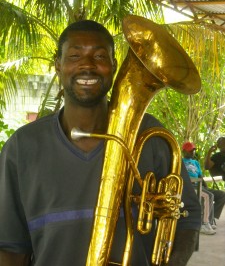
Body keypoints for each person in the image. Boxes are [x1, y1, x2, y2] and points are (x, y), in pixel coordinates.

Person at [0, 20, 201, 266]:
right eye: (74, 55)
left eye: (99, 56)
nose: (87, 65)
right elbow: (10, 246)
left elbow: (187, 218)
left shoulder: (152, 136)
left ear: (114, 66)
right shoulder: (22, 147)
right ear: (58, 65)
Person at [182, 141, 225, 234]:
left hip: (199, 186)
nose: (192, 152)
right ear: (184, 151)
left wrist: (206, 187)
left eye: (193, 150)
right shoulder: (181, 162)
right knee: (207, 196)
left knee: (215, 194)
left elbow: (200, 177)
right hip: (188, 187)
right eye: (190, 151)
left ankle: (209, 220)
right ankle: (203, 224)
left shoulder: (196, 163)